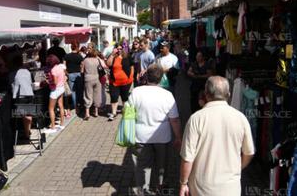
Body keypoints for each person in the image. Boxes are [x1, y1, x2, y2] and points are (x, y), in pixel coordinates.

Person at [179, 76, 255, 196]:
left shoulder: (196, 119)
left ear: (206, 94)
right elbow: (249, 152)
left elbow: (188, 157)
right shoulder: (240, 118)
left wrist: (183, 183)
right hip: (230, 188)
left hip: (201, 188)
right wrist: (236, 168)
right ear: (228, 94)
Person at [128, 64, 182, 195]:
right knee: (161, 165)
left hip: (140, 136)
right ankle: (159, 187)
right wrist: (178, 137)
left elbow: (128, 114)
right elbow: (174, 119)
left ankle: (142, 190)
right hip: (162, 137)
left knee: (142, 166)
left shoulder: (136, 92)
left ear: (146, 76)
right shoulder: (167, 95)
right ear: (161, 78)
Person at [106, 43, 133, 121]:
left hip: (126, 81)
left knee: (125, 98)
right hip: (114, 82)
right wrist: (112, 54)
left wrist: (130, 78)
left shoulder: (127, 57)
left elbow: (132, 67)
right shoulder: (113, 56)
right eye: (117, 48)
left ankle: (125, 111)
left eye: (121, 49)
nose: (119, 50)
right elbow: (108, 64)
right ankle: (114, 113)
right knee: (114, 97)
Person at [10, 54, 34, 140]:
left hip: (21, 96)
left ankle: (26, 134)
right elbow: (31, 83)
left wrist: (13, 97)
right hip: (30, 94)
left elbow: (13, 86)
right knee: (28, 113)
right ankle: (28, 131)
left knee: (23, 115)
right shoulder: (27, 71)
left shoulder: (14, 73)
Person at [44, 55, 66, 133]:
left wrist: (48, 81)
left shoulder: (53, 70)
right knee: (61, 106)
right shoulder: (60, 67)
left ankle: (53, 127)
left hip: (55, 90)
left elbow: (55, 82)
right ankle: (62, 124)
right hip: (62, 88)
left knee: (51, 108)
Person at [82, 43, 102, 120]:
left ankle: (87, 113)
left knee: (88, 95)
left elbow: (82, 71)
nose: (87, 49)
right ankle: (96, 112)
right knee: (97, 95)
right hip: (97, 78)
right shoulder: (97, 59)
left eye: (88, 48)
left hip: (88, 78)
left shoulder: (85, 60)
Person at [63, 41, 83, 114]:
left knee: (73, 92)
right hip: (78, 74)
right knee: (79, 91)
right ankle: (80, 105)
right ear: (77, 47)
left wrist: (66, 73)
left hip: (70, 74)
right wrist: (81, 72)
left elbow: (64, 66)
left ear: (71, 47)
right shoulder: (79, 56)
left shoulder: (67, 56)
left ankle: (76, 107)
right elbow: (82, 65)